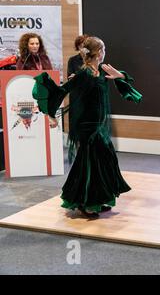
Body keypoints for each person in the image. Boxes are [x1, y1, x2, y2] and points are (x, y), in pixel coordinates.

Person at [32, 36, 142, 218]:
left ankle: (98, 198)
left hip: (100, 126)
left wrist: (119, 75)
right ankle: (86, 202)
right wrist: (50, 114)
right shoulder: (83, 74)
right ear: (99, 53)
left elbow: (127, 82)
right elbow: (62, 91)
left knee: (103, 161)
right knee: (89, 164)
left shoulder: (102, 72)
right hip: (87, 127)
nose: (105, 53)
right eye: (104, 50)